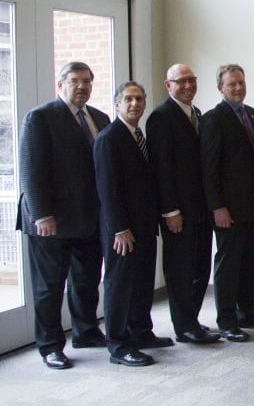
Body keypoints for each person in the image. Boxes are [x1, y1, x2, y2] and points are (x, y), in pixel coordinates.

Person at [18, 61, 109, 369]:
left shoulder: (100, 118)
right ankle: (50, 346)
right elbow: (31, 169)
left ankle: (86, 332)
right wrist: (42, 214)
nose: (81, 86)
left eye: (87, 81)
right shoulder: (40, 117)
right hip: (50, 221)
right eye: (74, 81)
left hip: (88, 218)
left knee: (86, 280)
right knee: (49, 287)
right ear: (60, 85)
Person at [200, 64, 254, 343]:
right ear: (220, 88)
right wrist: (217, 207)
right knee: (228, 264)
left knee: (249, 262)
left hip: (252, 205)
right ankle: (226, 320)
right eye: (231, 84)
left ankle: (248, 310)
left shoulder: (253, 115)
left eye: (241, 83)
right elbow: (209, 169)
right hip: (228, 209)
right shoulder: (212, 119)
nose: (238, 88)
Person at [94, 81, 168, 366]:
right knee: (119, 284)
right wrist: (119, 229)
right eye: (128, 99)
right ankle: (118, 344)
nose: (135, 104)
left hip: (144, 226)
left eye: (139, 98)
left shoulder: (138, 135)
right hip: (122, 230)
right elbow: (107, 190)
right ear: (117, 104)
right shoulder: (108, 138)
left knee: (141, 282)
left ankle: (141, 331)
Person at [147, 64, 220, 344]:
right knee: (180, 270)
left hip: (200, 209)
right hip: (178, 212)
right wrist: (170, 211)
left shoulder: (196, 114)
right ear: (168, 85)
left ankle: (193, 320)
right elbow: (162, 170)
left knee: (200, 268)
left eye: (192, 80)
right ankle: (184, 326)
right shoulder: (160, 117)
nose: (188, 85)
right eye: (181, 82)